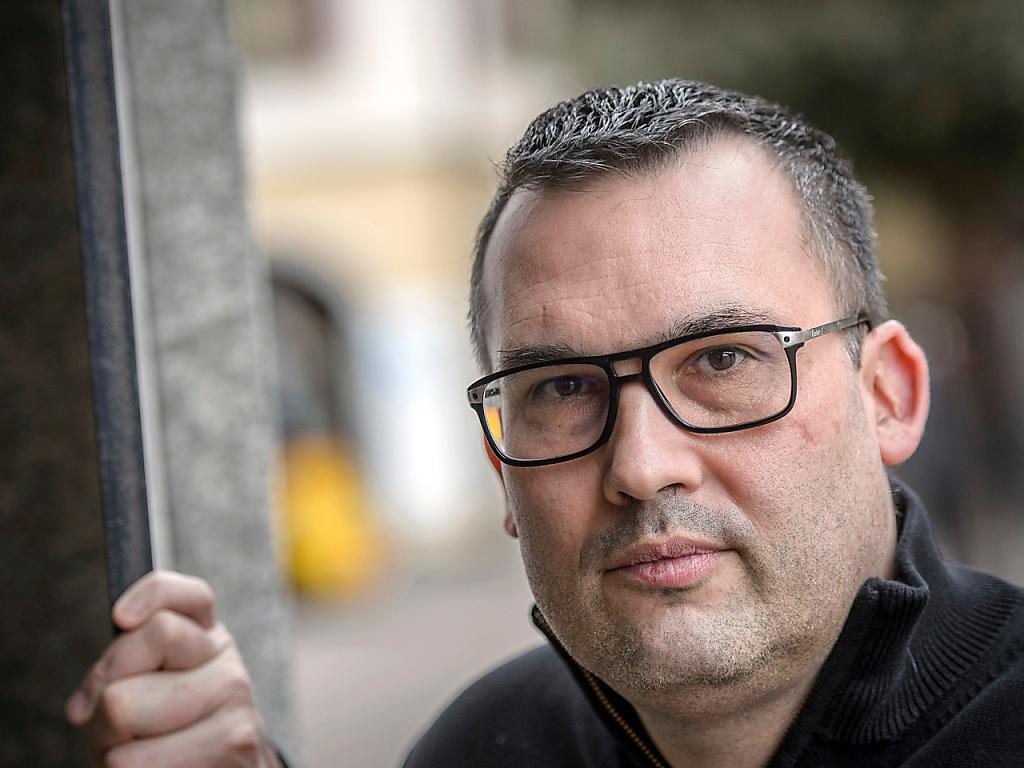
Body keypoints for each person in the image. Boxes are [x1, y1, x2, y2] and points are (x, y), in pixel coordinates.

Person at [67, 80, 1024, 767]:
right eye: (563, 388)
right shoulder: (483, 746)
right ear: (501, 468)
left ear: (887, 394)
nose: (641, 465)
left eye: (723, 361)